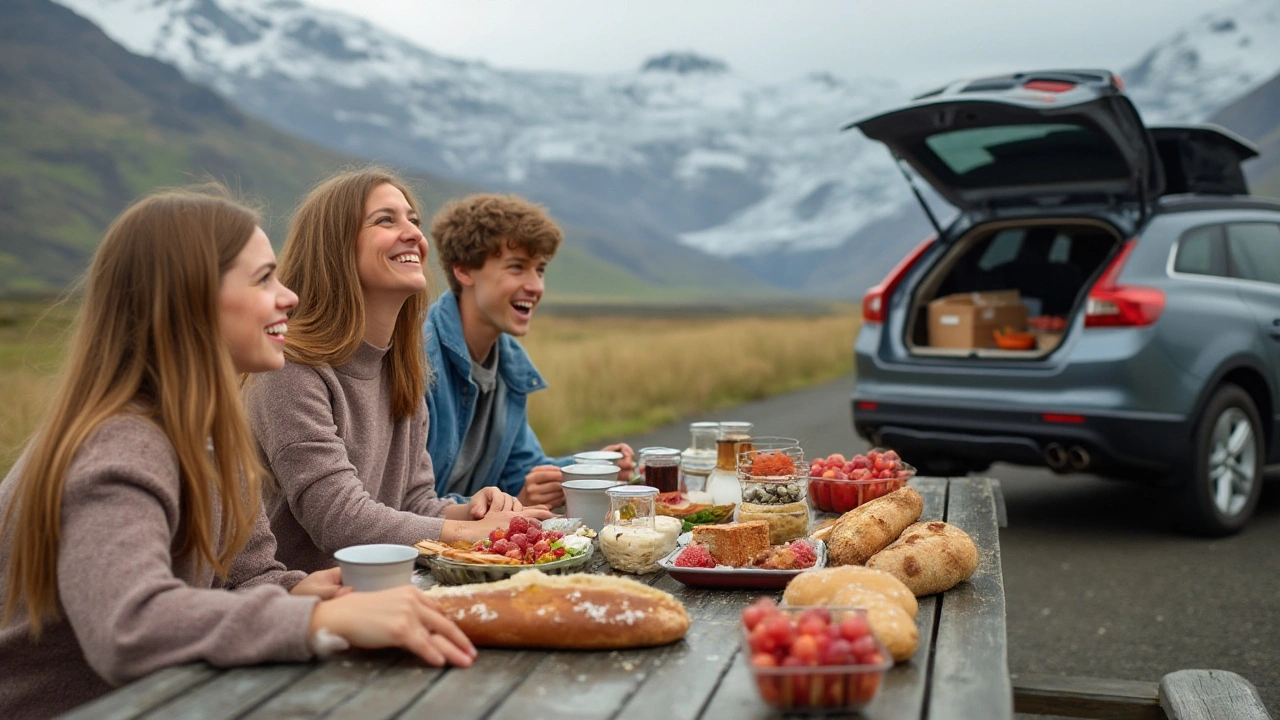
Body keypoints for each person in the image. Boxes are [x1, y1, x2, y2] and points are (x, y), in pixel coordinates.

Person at [0, 188, 476, 720]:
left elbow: (251, 576)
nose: (289, 296)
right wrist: (317, 623)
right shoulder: (118, 445)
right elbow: (129, 627)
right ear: (189, 299)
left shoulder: (208, 437)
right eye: (262, 279)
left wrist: (307, 592)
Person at [244, 170, 552, 573]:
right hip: (299, 608)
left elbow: (414, 502)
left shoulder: (402, 366)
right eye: (386, 220)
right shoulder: (290, 369)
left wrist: (477, 512)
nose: (413, 234)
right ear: (334, 246)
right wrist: (469, 535)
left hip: (380, 590)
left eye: (414, 221)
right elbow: (338, 518)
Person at [425, 193, 634, 507]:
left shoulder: (508, 365)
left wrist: (590, 469)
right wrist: (514, 502)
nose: (536, 286)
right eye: (517, 267)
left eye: (540, 270)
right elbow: (407, 502)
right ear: (464, 271)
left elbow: (523, 471)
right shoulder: (415, 360)